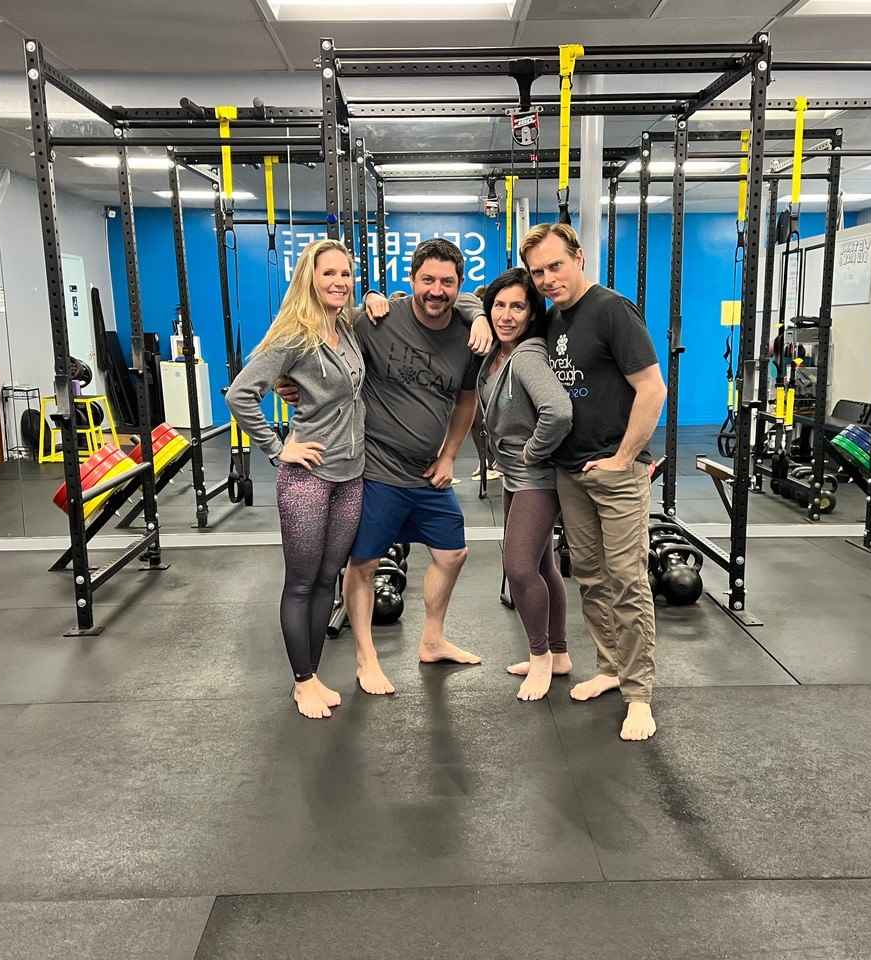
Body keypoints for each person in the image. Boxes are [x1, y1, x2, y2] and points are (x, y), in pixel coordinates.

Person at [279, 238, 492, 696]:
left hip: (427, 472)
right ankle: (366, 657)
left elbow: (466, 400)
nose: (436, 290)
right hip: (375, 469)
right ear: (410, 280)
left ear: (460, 285)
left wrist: (450, 455)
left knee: (453, 553)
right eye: (427, 280)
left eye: (447, 282)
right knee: (363, 564)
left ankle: (432, 640)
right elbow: (315, 335)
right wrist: (286, 380)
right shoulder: (375, 320)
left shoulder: (467, 334)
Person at [520, 222, 667, 742]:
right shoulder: (553, 319)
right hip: (571, 471)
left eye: (556, 266)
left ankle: (639, 695)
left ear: (579, 258)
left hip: (616, 473)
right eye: (538, 272)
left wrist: (624, 458)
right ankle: (609, 667)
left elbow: (652, 388)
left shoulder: (612, 310)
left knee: (627, 580)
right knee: (590, 576)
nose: (548, 279)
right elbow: (494, 308)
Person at [226, 238, 365, 720]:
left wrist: (376, 298)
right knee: (302, 583)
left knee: (329, 579)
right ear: (309, 278)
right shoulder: (294, 335)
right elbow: (241, 394)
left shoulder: (345, 328)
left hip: (351, 475)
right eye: (329, 273)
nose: (339, 282)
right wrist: (276, 446)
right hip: (308, 477)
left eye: (345, 273)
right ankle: (302, 681)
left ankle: (314, 674)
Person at [476, 268, 573, 702]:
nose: (507, 315)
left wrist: (533, 452)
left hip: (536, 477)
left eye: (518, 306)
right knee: (543, 565)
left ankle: (540, 657)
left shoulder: (528, 354)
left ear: (533, 313)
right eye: (499, 305)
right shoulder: (498, 352)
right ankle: (559, 652)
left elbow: (559, 411)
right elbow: (465, 304)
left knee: (518, 568)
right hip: (516, 475)